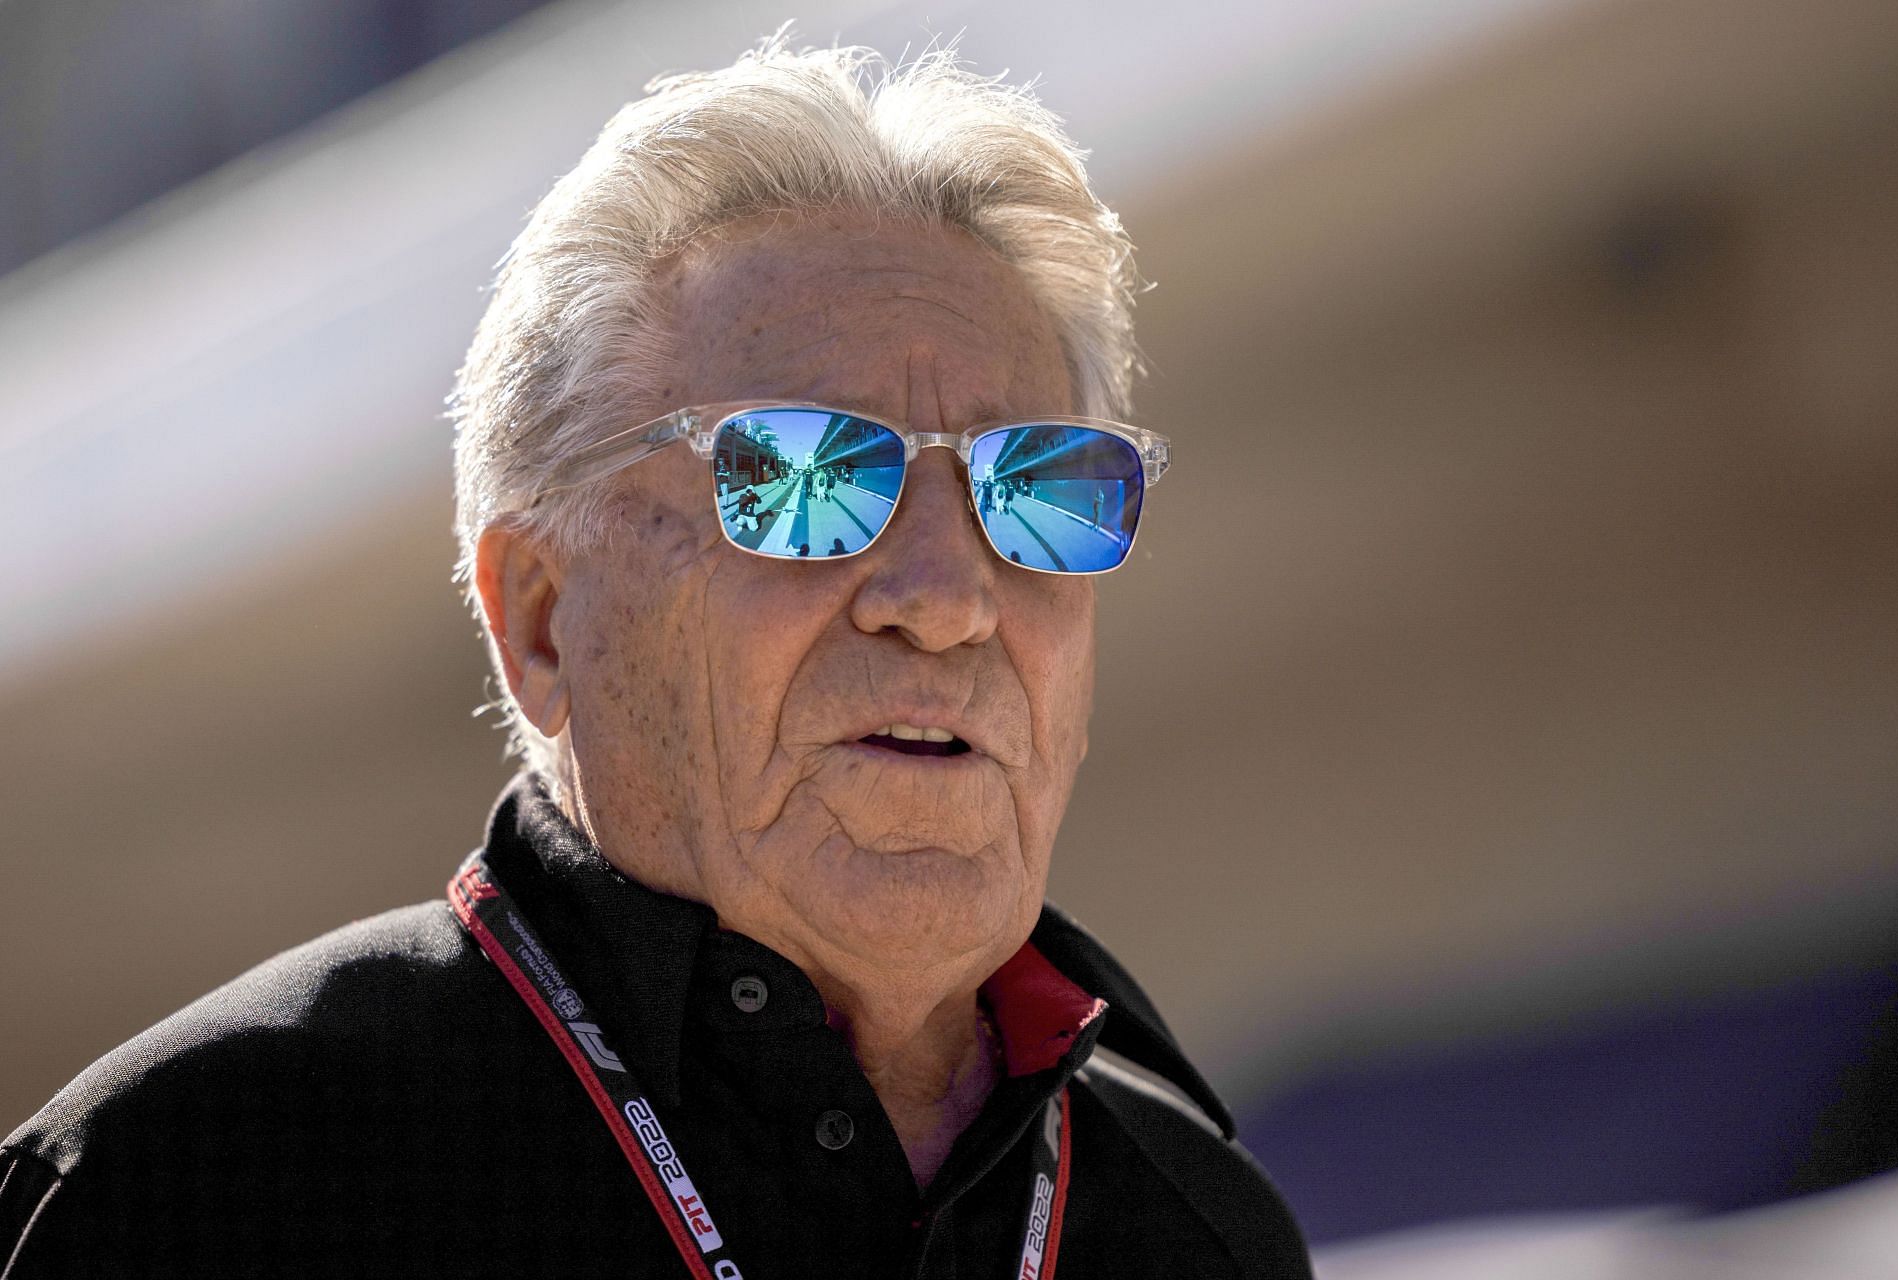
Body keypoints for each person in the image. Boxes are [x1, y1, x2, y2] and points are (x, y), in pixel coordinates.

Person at [0, 39, 1310, 1279]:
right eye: (801, 474)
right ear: (541, 616)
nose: (947, 597)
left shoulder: (1199, 1234)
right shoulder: (199, 1192)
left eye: (1035, 486)